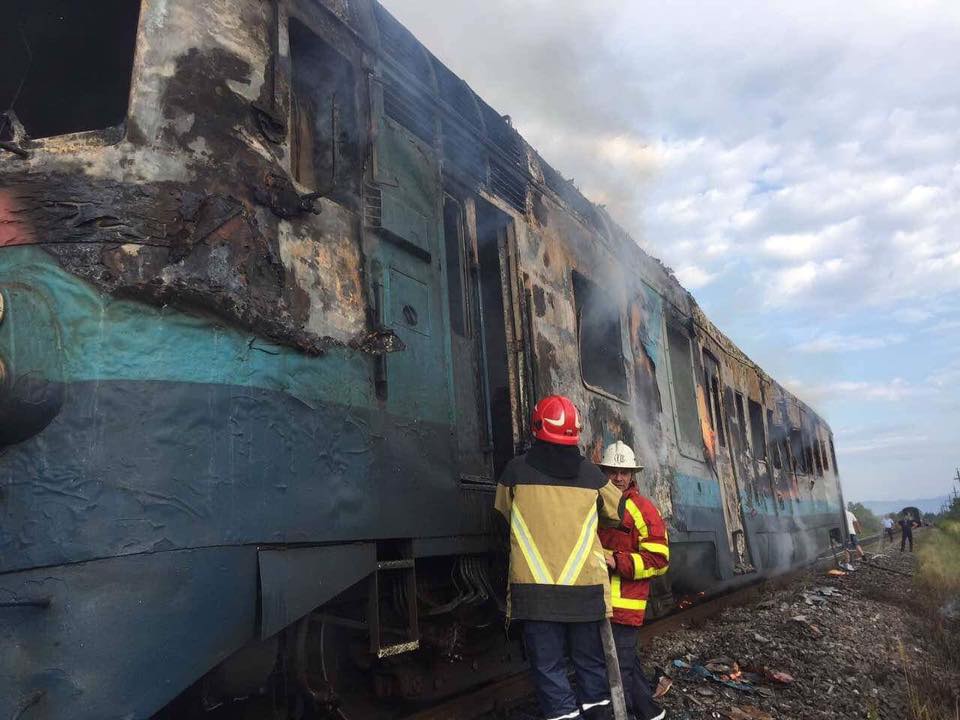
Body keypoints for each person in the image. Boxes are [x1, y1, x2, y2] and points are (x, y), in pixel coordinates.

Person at [495, 395, 624, 720]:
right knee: (591, 668)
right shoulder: (593, 477)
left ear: (536, 427)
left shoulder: (514, 471)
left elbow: (503, 511)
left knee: (549, 670)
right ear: (576, 433)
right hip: (585, 594)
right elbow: (616, 513)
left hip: (535, 595)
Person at [597, 441, 669, 720]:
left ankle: (623, 714)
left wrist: (618, 560)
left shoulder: (643, 510)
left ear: (632, 475)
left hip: (624, 608)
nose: (618, 477)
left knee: (619, 673)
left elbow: (659, 559)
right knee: (627, 666)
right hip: (599, 603)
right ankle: (652, 713)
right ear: (604, 472)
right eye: (612, 471)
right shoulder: (596, 503)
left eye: (623, 472)